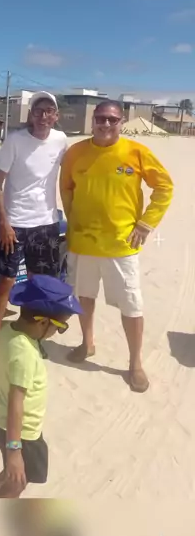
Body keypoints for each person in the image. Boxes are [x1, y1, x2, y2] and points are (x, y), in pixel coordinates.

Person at [59, 99, 174, 393]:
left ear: (121, 122)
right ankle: (87, 343)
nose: (106, 124)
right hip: (83, 243)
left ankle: (135, 364)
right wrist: (74, 222)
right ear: (93, 120)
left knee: (131, 306)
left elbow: (164, 187)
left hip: (121, 244)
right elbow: (66, 189)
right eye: (101, 118)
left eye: (112, 119)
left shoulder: (136, 152)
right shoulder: (75, 152)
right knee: (84, 296)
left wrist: (146, 223)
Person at [0, 91, 68, 363]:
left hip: (46, 223)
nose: (43, 116)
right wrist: (4, 223)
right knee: (7, 282)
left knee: (39, 284)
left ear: (56, 116)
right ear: (30, 115)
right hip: (16, 223)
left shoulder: (61, 140)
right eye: (38, 111)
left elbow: (76, 172)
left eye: (49, 111)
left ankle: (32, 337)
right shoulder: (15, 141)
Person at [0, 275, 82, 499]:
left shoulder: (7, 332)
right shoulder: (25, 355)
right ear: (42, 322)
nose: (58, 332)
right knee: (18, 482)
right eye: (61, 327)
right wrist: (14, 450)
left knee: (15, 472)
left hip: (2, 422)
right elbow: (16, 404)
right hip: (21, 433)